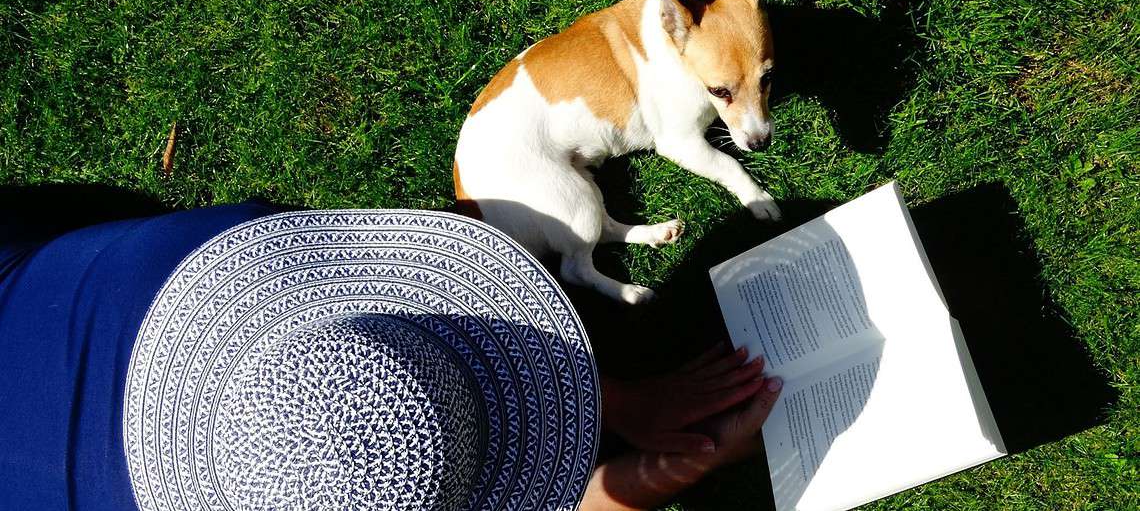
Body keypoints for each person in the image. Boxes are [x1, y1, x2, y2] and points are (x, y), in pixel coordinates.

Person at [0, 193, 781, 510]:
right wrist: (668, 469)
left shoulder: (238, 249)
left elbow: (424, 325)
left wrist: (615, 400)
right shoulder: (227, 250)